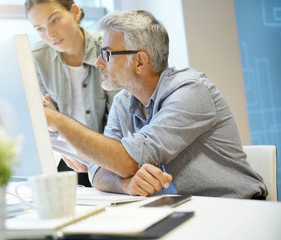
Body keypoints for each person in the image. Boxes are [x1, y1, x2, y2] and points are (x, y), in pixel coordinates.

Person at [43, 10, 267, 199]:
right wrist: (125, 185)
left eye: (107, 53)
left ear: (140, 61)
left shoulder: (191, 91)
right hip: (185, 208)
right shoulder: (123, 102)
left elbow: (127, 162)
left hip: (238, 207)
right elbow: (97, 168)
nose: (98, 62)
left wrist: (57, 120)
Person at [25, 0, 118, 186]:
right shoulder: (36, 58)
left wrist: (95, 154)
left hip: (111, 156)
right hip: (69, 157)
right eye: (39, 29)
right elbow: (48, 121)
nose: (50, 34)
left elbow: (120, 119)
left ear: (75, 12)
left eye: (54, 20)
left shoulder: (108, 49)